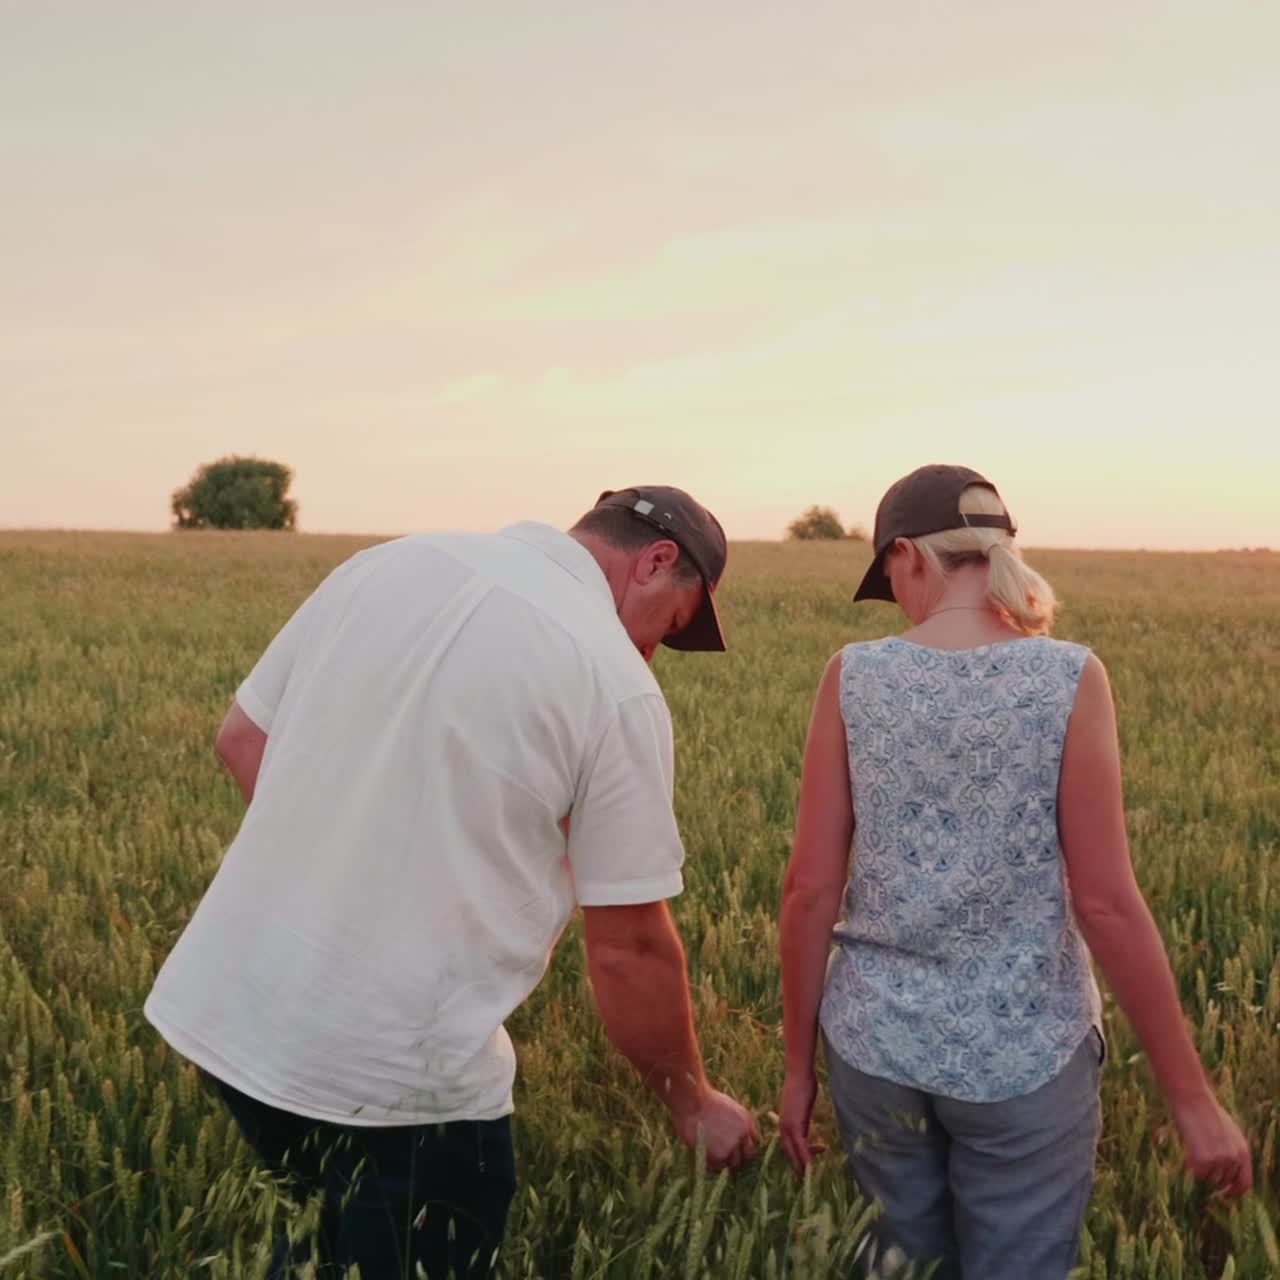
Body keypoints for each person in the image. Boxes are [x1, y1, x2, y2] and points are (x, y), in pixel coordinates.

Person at [145, 485, 758, 1279]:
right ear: (657, 562)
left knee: (313, 1250)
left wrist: (354, 859)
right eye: (667, 629)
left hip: (235, 1022)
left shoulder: (389, 564)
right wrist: (695, 1103)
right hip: (401, 1082)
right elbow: (629, 948)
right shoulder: (613, 682)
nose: (649, 655)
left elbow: (243, 739)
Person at [778, 465, 1251, 1280]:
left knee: (899, 1265)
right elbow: (1105, 904)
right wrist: (1193, 1102)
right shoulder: (1066, 676)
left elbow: (810, 890)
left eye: (887, 575)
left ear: (908, 555)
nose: (893, 595)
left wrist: (795, 1072)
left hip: (875, 1049)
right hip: (1025, 1056)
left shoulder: (852, 674)